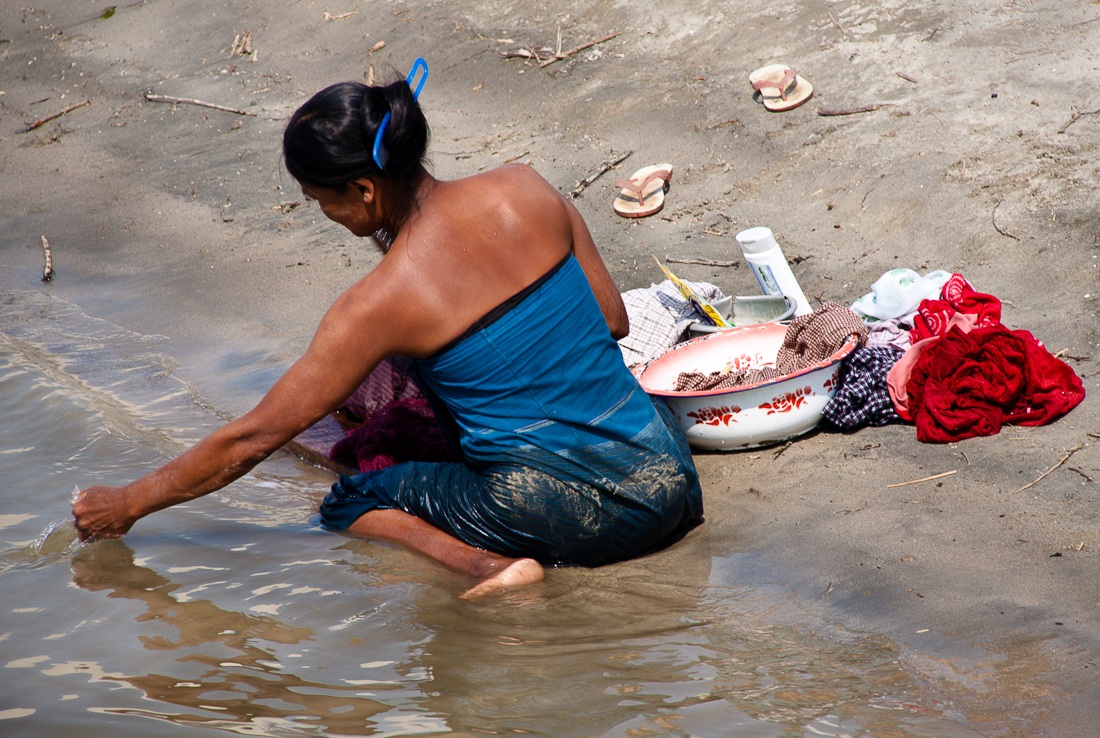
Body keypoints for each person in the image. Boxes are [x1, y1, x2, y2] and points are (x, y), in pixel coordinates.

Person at [73, 71, 704, 597]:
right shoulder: (525, 186)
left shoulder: (378, 304)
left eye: (320, 200)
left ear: (364, 189)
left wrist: (127, 503)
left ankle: (489, 567)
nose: (325, 214)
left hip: (569, 518)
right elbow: (613, 320)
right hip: (669, 482)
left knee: (349, 500)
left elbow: (252, 439)